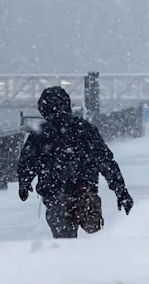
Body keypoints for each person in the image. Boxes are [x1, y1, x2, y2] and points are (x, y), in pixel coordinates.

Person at [17, 86, 134, 238]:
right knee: (96, 239)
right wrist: (121, 191)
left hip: (55, 195)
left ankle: (70, 259)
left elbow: (28, 162)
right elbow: (106, 162)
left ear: (43, 109)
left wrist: (24, 184)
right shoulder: (85, 129)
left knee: (65, 242)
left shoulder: (40, 134)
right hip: (85, 192)